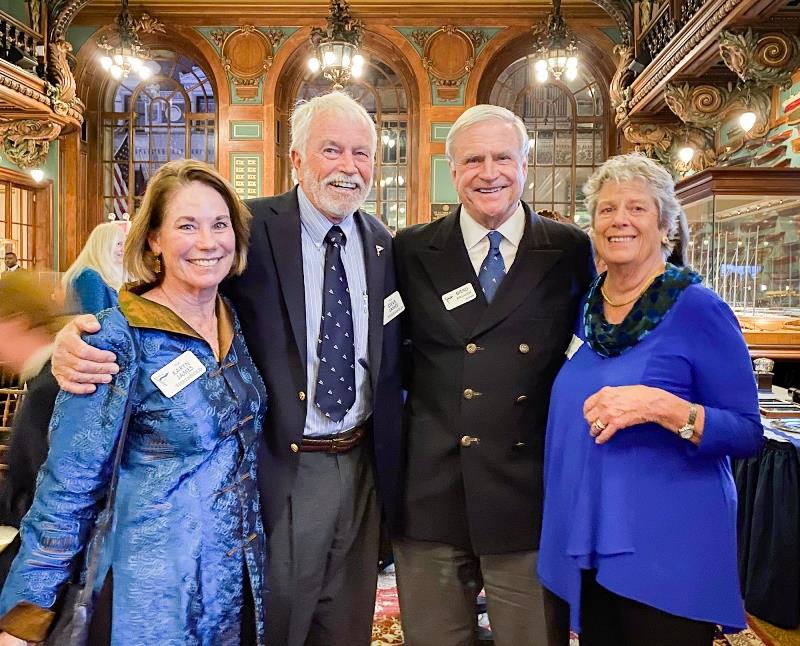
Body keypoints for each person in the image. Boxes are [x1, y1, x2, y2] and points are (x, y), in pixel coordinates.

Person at [49, 91, 403, 646]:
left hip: (361, 469)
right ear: (296, 158)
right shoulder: (247, 229)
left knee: (346, 626)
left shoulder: (381, 242)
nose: (348, 166)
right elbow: (169, 296)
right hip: (277, 470)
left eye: (362, 153)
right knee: (276, 626)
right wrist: (81, 332)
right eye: (331, 149)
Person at [0, 159, 268, 645]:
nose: (208, 242)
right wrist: (24, 616)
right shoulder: (116, 342)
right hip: (149, 598)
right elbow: (67, 488)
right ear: (154, 240)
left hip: (235, 584)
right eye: (187, 225)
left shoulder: (234, 318)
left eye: (219, 224)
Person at [537, 153, 764, 646]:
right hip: (596, 532)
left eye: (637, 209)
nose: (620, 219)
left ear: (666, 227)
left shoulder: (698, 308)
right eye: (606, 209)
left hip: (669, 544)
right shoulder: (588, 308)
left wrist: (662, 407)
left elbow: (748, 432)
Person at [392, 104, 594, 646]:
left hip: (528, 494)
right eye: (473, 160)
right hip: (432, 490)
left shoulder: (570, 249)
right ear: (452, 170)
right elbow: (392, 356)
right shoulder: (411, 249)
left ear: (525, 164)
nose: (489, 172)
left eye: (503, 157)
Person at [0, 273, 65, 591]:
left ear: (16, 322)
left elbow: (48, 496)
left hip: (39, 565)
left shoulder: (49, 388)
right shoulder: (47, 379)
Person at [62, 221, 125, 314]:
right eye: (119, 244)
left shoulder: (95, 275)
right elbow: (94, 321)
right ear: (103, 245)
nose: (124, 249)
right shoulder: (89, 277)